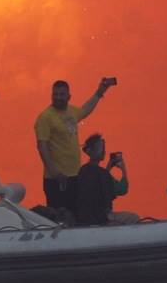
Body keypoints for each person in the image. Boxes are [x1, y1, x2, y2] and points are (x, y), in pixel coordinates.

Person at [34, 76, 117, 213]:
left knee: (75, 214)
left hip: (75, 175)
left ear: (69, 96)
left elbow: (85, 110)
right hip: (57, 178)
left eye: (62, 94)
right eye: (55, 94)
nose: (58, 97)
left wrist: (100, 92)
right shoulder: (45, 117)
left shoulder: (71, 111)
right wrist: (55, 172)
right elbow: (42, 147)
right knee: (60, 216)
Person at [72, 134, 131, 227]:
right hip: (102, 218)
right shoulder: (103, 174)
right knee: (133, 217)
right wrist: (123, 170)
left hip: (85, 218)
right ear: (91, 150)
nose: (103, 150)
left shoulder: (83, 170)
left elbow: (100, 182)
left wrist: (108, 168)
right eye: (100, 147)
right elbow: (122, 189)